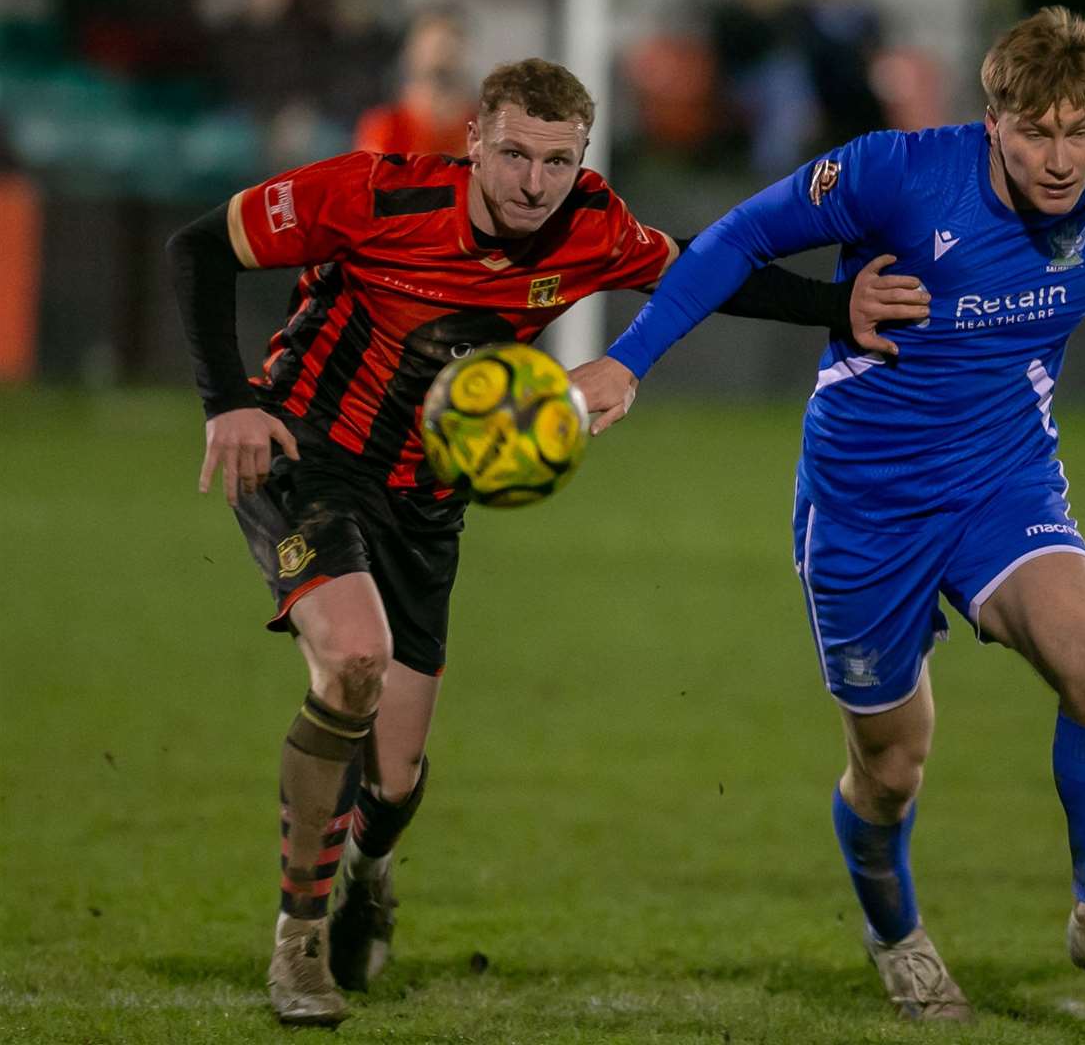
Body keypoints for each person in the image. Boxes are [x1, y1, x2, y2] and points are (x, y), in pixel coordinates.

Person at [165, 56, 923, 1026]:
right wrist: (227, 402)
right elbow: (199, 247)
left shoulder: (589, 228)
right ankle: (297, 944)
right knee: (353, 660)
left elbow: (701, 267)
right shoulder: (372, 193)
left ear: (581, 162)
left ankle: (368, 869)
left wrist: (836, 307)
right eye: (514, 154)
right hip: (310, 455)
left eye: (556, 161)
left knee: (392, 781)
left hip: (429, 503)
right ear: (473, 144)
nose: (532, 182)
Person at [573, 7, 1085, 1030]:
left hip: (1005, 486)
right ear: (991, 121)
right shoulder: (896, 175)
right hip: (865, 505)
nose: (1059, 157)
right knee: (892, 768)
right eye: (1035, 131)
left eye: (1079, 130)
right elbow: (737, 237)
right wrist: (626, 361)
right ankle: (896, 932)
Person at [353, 8, 474, 156]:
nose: (442, 54)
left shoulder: (481, 128)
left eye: (450, 45)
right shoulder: (384, 126)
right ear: (410, 51)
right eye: (433, 46)